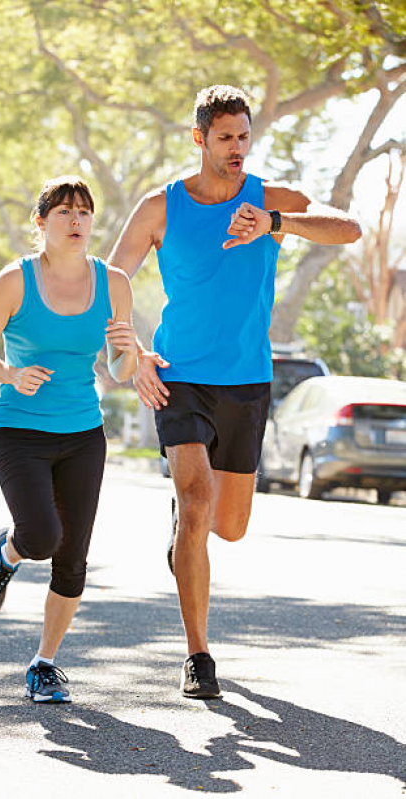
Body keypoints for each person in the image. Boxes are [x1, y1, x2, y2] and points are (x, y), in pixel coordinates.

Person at [109, 85, 361, 699]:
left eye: (244, 136)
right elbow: (112, 278)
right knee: (196, 504)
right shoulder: (160, 207)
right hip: (180, 376)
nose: (237, 148)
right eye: (225, 138)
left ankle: (184, 530)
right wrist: (131, 351)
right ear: (199, 140)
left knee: (230, 526)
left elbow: (348, 228)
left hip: (247, 381)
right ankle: (199, 655)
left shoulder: (265, 197)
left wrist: (276, 223)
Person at [0, 176, 137, 703]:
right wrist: (12, 375)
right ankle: (5, 555)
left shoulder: (115, 283)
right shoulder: (15, 281)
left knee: (73, 556)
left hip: (84, 432)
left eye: (84, 211)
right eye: (64, 211)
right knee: (40, 536)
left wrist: (129, 349)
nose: (77, 220)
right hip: (19, 430)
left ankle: (44, 664)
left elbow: (121, 369)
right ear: (41, 222)